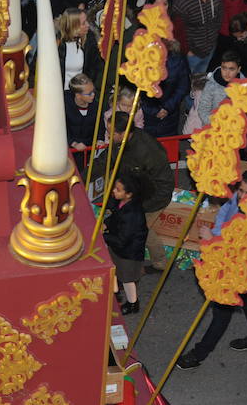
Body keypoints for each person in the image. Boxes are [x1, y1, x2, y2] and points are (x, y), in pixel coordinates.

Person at [177, 169, 247, 370]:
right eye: (241, 191)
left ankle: (199, 354)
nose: (242, 197)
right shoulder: (236, 200)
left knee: (222, 312)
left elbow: (241, 248)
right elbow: (223, 214)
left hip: (239, 270)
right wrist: (217, 235)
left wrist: (214, 239)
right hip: (231, 266)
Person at [97, 112, 175, 272]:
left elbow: (164, 184)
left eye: (111, 132)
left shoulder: (148, 150)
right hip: (130, 191)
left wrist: (140, 207)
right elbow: (104, 161)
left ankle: (160, 263)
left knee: (140, 229)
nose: (108, 135)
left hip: (151, 197)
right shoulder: (120, 142)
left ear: (124, 133)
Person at [103, 171, 147, 315]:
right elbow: (115, 218)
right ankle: (115, 293)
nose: (114, 191)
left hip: (128, 252)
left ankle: (133, 303)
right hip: (118, 247)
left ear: (128, 194)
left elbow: (123, 239)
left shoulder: (132, 214)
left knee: (127, 279)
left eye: (118, 189)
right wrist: (107, 224)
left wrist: (104, 235)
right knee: (113, 271)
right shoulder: (121, 203)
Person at [173, 0, 224, 75]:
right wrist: (187, 51)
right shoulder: (182, 4)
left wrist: (213, 40)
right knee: (187, 81)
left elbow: (219, 19)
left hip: (210, 49)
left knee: (200, 79)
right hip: (192, 54)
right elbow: (178, 33)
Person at [140, 38, 189, 137]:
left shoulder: (178, 61)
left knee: (168, 141)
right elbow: (139, 90)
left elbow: (183, 86)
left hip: (170, 113)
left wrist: (167, 108)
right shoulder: (141, 63)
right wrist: (155, 110)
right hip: (148, 114)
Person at [58, 8, 101, 87]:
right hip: (58, 93)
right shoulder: (56, 44)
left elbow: (95, 70)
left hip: (81, 94)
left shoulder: (90, 42)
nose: (88, 25)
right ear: (73, 26)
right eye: (83, 23)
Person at [63, 74, 98, 151]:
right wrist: (73, 143)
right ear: (78, 96)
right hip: (69, 149)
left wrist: (99, 140)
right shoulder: (64, 105)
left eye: (93, 91)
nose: (93, 95)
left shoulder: (95, 105)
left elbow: (99, 126)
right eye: (89, 93)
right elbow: (59, 128)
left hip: (89, 149)